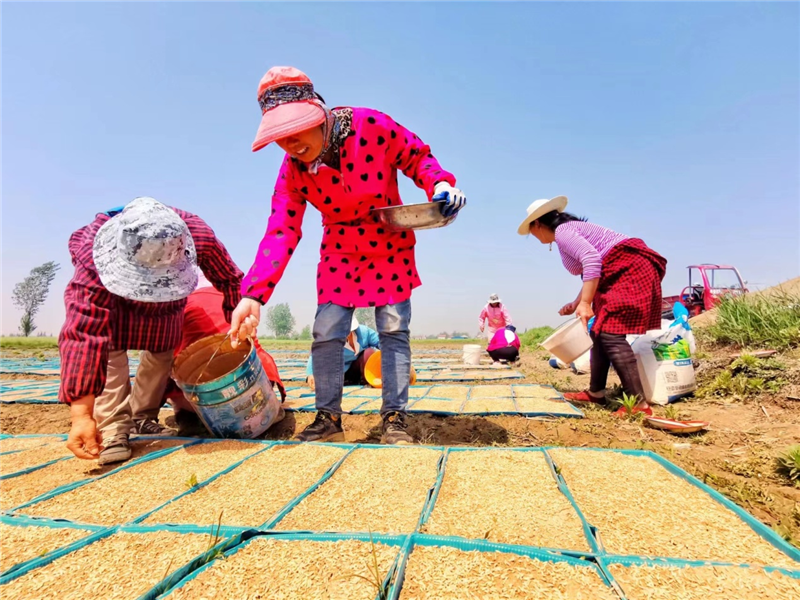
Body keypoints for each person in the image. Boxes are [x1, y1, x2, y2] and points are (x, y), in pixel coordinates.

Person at [228, 66, 466, 444]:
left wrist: (439, 181)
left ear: (317, 113)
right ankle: (328, 418)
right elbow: (281, 229)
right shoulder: (293, 171)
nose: (289, 143)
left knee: (392, 328)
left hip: (389, 239)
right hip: (339, 247)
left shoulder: (370, 125)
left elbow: (416, 156)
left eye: (295, 129)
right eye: (279, 136)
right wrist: (253, 293)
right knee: (327, 330)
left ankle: (394, 418)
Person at [60, 197, 243, 464]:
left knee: (161, 353)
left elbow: (230, 279)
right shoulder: (94, 254)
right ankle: (112, 430)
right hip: (115, 305)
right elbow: (84, 333)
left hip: (166, 309)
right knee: (110, 355)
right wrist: (81, 416)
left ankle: (142, 417)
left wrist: (236, 321)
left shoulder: (196, 235)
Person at [518, 196, 667, 417]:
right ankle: (596, 392)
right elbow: (593, 268)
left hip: (628, 268)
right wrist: (578, 302)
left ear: (537, 224)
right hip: (617, 271)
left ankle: (638, 405)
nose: (533, 236)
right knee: (599, 332)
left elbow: (592, 260)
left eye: (531, 231)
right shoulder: (566, 233)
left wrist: (587, 303)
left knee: (610, 334)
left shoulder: (564, 232)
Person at [164, 272, 286, 436]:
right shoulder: (238, 299)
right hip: (257, 386)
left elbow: (166, 356)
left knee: (164, 367)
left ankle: (188, 417)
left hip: (205, 397)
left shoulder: (178, 303)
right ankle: (269, 408)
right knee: (257, 355)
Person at [306, 316, 380, 390]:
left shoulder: (364, 332)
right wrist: (310, 373)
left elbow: (381, 342)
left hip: (356, 369)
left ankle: (365, 381)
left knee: (369, 353)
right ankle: (345, 381)